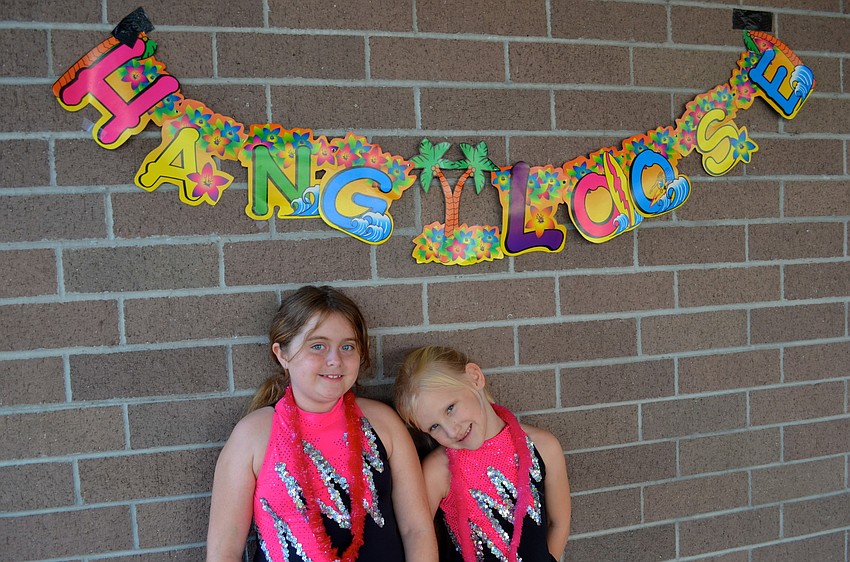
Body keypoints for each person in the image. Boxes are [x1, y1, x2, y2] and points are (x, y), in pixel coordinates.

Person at [207, 286, 438, 562]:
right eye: (318, 346)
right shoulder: (253, 435)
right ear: (282, 354)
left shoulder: (383, 423)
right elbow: (224, 551)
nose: (335, 360)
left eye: (347, 347)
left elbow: (417, 530)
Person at [393, 346, 571, 562]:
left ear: (475, 377)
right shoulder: (438, 471)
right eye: (434, 427)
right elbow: (417, 538)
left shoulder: (543, 447)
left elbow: (559, 523)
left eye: (450, 408)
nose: (451, 430)